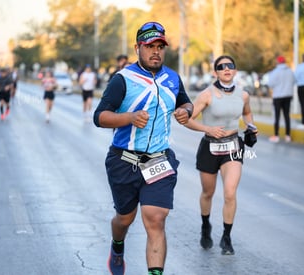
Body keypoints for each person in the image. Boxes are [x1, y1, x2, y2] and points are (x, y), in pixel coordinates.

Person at [93, 21, 193, 275]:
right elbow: (100, 116)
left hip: (158, 160)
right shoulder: (122, 80)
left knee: (155, 218)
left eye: (160, 46)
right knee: (124, 219)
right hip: (123, 160)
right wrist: (129, 117)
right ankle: (117, 245)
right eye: (150, 46)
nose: (156, 51)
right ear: (138, 47)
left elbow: (186, 103)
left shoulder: (172, 78)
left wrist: (185, 111)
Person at [184, 55, 258, 255]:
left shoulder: (243, 95)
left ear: (235, 70)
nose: (226, 69)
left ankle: (226, 237)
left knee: (230, 193)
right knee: (208, 192)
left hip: (233, 146)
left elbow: (248, 113)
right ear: (215, 72)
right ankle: (205, 225)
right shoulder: (206, 95)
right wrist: (207, 129)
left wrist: (251, 127)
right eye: (221, 67)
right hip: (210, 147)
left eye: (230, 66)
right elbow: (187, 120)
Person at [267, 56, 296, 143]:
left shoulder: (275, 72)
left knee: (277, 116)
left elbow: (270, 84)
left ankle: (276, 135)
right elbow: (294, 81)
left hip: (278, 96)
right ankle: (288, 135)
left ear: (278, 62)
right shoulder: (290, 71)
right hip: (288, 95)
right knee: (287, 115)